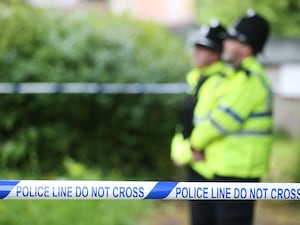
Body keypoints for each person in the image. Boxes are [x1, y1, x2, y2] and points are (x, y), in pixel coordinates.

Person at [190, 10, 273, 225]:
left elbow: (221, 122)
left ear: (246, 46)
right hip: (227, 170)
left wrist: (195, 143)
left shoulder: (249, 80)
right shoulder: (237, 76)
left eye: (233, 38)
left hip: (238, 174)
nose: (225, 42)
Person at [170, 21, 228, 225]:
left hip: (212, 171)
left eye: (204, 47)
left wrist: (187, 151)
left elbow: (214, 126)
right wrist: (181, 153)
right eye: (196, 46)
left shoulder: (222, 82)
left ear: (218, 53)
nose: (196, 51)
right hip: (196, 166)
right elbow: (185, 124)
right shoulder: (198, 81)